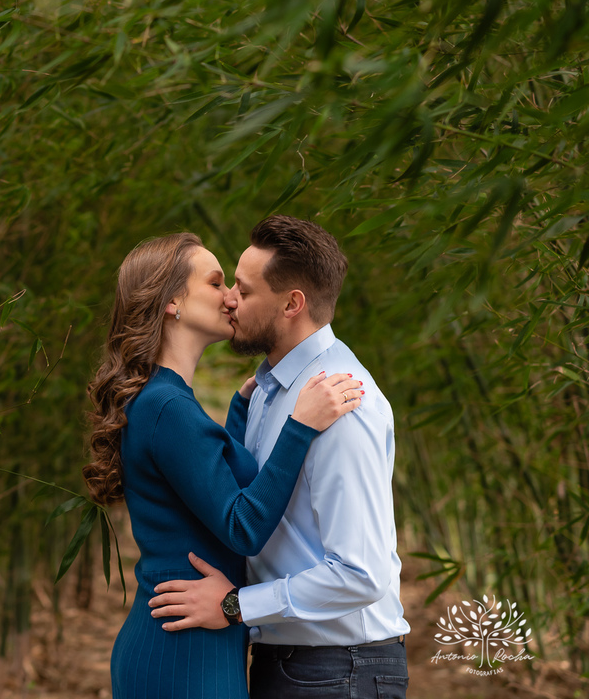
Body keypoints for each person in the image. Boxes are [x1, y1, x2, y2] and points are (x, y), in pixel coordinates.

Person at [84, 231, 364, 699]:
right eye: (216, 283)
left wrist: (238, 413)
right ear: (173, 302)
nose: (231, 298)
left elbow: (206, 492)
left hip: (192, 640)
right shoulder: (167, 407)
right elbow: (240, 525)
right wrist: (300, 427)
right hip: (182, 655)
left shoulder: (166, 401)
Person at [147, 216, 411, 699]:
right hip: (290, 662)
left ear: (292, 304)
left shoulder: (339, 402)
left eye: (244, 292)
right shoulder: (269, 392)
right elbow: (242, 501)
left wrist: (235, 606)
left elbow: (362, 574)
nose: (231, 299)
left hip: (337, 670)